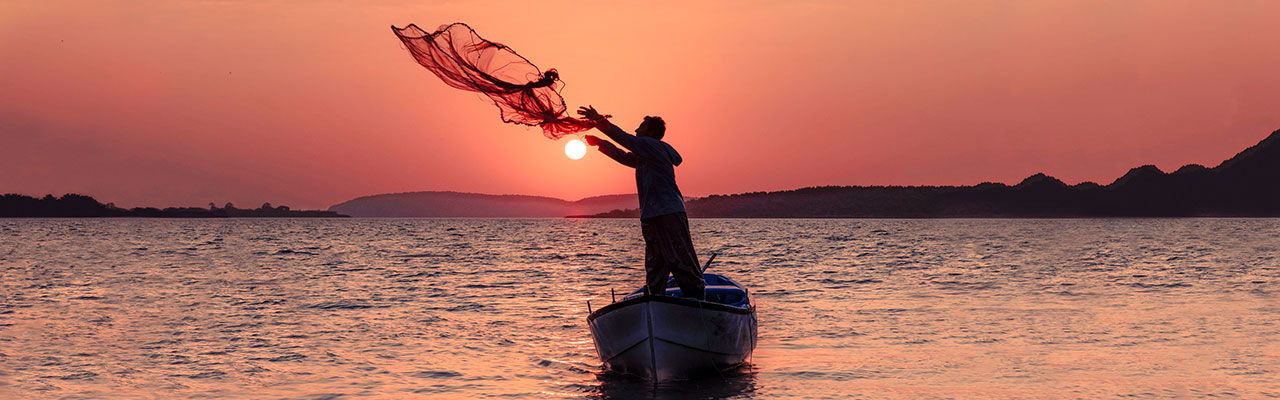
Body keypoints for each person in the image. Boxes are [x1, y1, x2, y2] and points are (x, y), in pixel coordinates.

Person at [577, 105, 705, 300]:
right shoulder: (647, 153)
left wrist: (598, 120)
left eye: (640, 127)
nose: (636, 130)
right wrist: (601, 144)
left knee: (682, 260)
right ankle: (656, 303)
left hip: (668, 213)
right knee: (656, 263)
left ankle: (697, 302)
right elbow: (625, 157)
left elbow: (624, 138)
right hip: (651, 215)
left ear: (650, 132)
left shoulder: (650, 145)